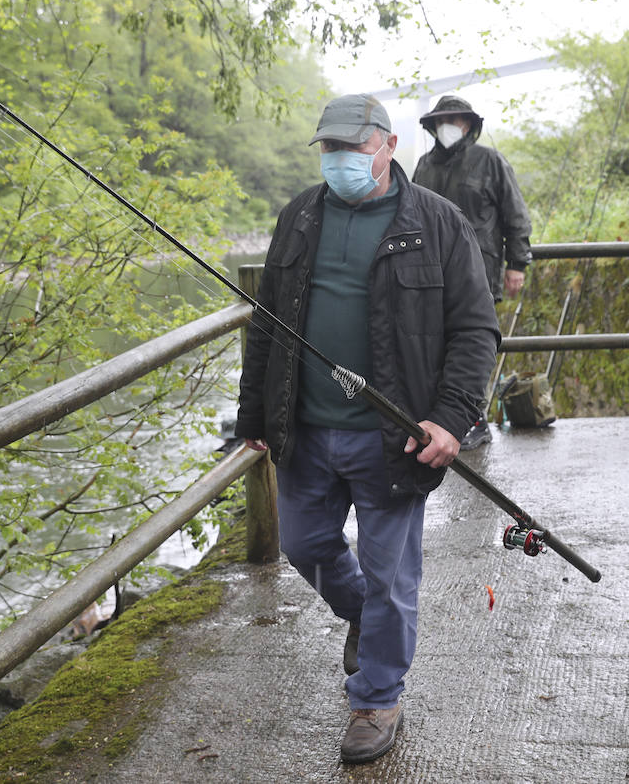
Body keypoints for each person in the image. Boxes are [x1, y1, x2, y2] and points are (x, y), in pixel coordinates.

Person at [235, 93, 500, 764]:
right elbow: (267, 320)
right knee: (304, 545)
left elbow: (474, 330)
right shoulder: (299, 216)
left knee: (389, 575)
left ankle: (377, 698)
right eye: (330, 148)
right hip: (306, 429)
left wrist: (451, 416)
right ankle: (365, 620)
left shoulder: (438, 223)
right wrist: (254, 414)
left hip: (394, 437)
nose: (340, 159)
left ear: (385, 146)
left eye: (353, 147)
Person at [413, 94, 532, 449]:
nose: (449, 127)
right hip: (430, 274)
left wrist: (517, 265)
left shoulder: (490, 161)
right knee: (435, 348)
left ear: (469, 125)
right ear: (433, 126)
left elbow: (516, 214)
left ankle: (474, 421)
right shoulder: (423, 166)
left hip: (479, 272)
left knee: (474, 344)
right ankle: (444, 420)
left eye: (457, 120)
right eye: (443, 121)